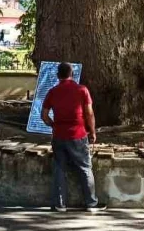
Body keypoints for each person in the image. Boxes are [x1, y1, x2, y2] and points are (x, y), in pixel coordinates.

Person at [41, 63, 105, 213]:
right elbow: (89, 113)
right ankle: (91, 203)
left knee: (59, 169)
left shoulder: (52, 92)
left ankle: (60, 204)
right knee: (84, 168)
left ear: (58, 75)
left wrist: (54, 125)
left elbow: (44, 116)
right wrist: (92, 132)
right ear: (72, 74)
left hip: (58, 136)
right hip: (78, 135)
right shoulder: (82, 90)